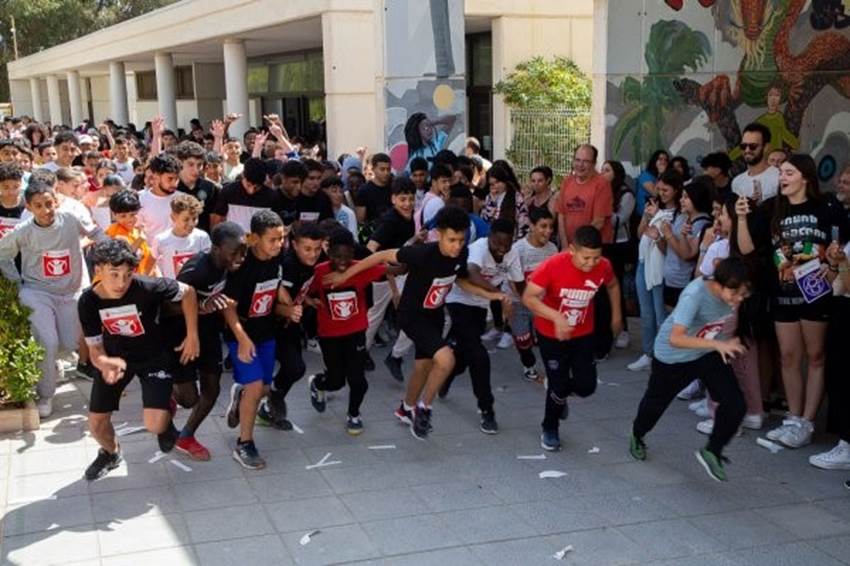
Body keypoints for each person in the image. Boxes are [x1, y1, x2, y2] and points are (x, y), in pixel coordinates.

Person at [323, 206, 509, 439]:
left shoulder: (461, 255)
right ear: (439, 234)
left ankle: (406, 408)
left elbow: (461, 281)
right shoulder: (422, 254)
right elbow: (381, 256)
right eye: (451, 240)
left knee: (424, 366)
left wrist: (492, 295)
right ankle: (423, 410)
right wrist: (346, 275)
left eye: (461, 240)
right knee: (447, 359)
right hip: (412, 316)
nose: (457, 245)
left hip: (434, 316)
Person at [737, 154, 846, 448]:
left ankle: (807, 422)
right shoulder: (772, 208)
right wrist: (742, 218)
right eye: (781, 173)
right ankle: (793, 417)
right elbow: (747, 248)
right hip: (783, 293)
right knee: (788, 357)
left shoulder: (827, 206)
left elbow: (840, 244)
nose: (782, 178)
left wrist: (833, 266)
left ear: (805, 177)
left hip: (816, 293)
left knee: (816, 356)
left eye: (788, 173)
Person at [79, 239, 199, 480]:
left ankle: (165, 418)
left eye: (127, 275)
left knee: (155, 424)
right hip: (115, 358)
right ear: (98, 270)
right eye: (114, 274)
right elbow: (94, 348)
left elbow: (188, 292)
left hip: (154, 356)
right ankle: (111, 453)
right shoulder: (88, 301)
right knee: (96, 425)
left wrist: (192, 335)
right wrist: (103, 363)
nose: (121, 283)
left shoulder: (148, 286)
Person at [629, 257, 750, 482]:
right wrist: (718, 345)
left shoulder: (732, 294)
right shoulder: (695, 295)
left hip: (706, 352)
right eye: (735, 293)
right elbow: (676, 338)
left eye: (743, 294)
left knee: (736, 403)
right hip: (673, 357)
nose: (738, 299)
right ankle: (637, 434)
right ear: (719, 284)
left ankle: (712, 450)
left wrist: (727, 342)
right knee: (656, 403)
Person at [0, 179, 103, 417]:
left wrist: (115, 248)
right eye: (39, 206)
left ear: (56, 201)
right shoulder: (23, 230)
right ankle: (45, 395)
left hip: (69, 293)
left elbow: (95, 232)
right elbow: (2, 254)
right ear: (29, 207)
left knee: (70, 343)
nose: (46, 210)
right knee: (47, 341)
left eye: (49, 203)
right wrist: (16, 281)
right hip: (37, 292)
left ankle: (49, 361)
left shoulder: (71, 219)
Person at [522, 225, 622, 452]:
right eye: (585, 258)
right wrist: (556, 317)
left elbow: (613, 284)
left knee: (586, 387)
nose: (591, 263)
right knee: (558, 385)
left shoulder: (603, 266)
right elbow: (529, 298)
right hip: (551, 334)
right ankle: (550, 427)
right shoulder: (552, 265)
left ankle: (559, 394)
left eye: (596, 257)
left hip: (582, 332)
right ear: (571, 250)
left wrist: (616, 316)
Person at [167, 222, 247, 460]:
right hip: (181, 336)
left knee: (212, 389)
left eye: (243, 251)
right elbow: (168, 306)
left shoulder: (232, 265)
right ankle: (167, 391)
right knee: (189, 399)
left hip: (210, 334)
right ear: (216, 248)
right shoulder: (196, 270)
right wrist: (202, 306)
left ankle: (186, 436)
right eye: (234, 252)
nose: (240, 257)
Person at [440, 218, 522, 434]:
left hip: (480, 306)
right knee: (479, 357)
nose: (501, 250)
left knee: (463, 355)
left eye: (506, 245)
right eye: (497, 244)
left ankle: (446, 376)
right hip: (459, 301)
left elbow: (519, 284)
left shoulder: (512, 254)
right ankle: (487, 410)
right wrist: (499, 295)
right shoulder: (478, 248)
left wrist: (535, 306)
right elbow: (472, 272)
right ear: (489, 237)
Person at [307, 229, 391, 434]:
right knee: (336, 381)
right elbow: (304, 291)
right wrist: (311, 301)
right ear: (329, 253)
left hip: (356, 333)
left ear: (353, 253)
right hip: (330, 335)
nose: (342, 262)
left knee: (358, 380)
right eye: (337, 256)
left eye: (346, 256)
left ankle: (354, 414)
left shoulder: (360, 268)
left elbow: (394, 269)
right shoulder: (319, 271)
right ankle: (318, 383)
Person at [221, 210, 286, 469]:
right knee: (256, 386)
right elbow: (229, 307)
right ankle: (244, 444)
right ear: (255, 238)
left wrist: (286, 300)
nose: (279, 244)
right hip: (241, 334)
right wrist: (242, 339)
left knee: (264, 389)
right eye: (273, 239)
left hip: (266, 332)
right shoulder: (242, 265)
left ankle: (241, 394)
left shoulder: (277, 257)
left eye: (281, 238)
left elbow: (275, 284)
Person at [260, 222, 324, 430]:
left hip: (291, 324)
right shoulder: (286, 266)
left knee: (295, 368)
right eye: (307, 249)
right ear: (294, 245)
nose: (313, 254)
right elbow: (269, 300)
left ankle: (270, 404)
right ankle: (260, 400)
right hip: (270, 326)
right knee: (290, 368)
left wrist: (307, 300)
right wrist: (287, 310)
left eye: (317, 248)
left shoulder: (315, 261)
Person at [628, 171, 682, 372]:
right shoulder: (655, 208)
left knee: (661, 314)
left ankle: (665, 355)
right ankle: (648, 353)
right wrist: (646, 216)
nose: (661, 193)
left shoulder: (677, 215)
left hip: (660, 268)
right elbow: (640, 233)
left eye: (666, 190)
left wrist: (658, 233)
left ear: (676, 190)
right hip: (643, 263)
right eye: (659, 189)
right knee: (646, 313)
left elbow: (667, 248)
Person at [366, 177, 417, 381]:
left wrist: (415, 239)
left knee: (413, 316)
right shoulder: (390, 221)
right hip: (385, 278)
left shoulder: (409, 217)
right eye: (403, 199)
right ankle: (359, 353)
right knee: (374, 317)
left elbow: (400, 247)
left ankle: (395, 356)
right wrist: (393, 285)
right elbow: (372, 248)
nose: (407, 204)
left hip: (402, 274)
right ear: (393, 199)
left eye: (411, 199)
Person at [811, 237, 850, 470]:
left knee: (844, 379)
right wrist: (834, 264)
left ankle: (847, 447)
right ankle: (844, 443)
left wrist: (842, 263)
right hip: (842, 309)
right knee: (837, 377)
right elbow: (837, 284)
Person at [508, 207, 558, 382]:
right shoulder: (518, 249)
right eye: (543, 226)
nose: (548, 231)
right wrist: (526, 300)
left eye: (551, 226)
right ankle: (528, 364)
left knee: (547, 339)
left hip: (542, 303)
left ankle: (553, 369)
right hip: (518, 302)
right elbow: (512, 281)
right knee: (523, 340)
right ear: (531, 226)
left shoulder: (552, 249)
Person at [658, 177, 714, 309]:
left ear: (696, 199)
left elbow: (686, 255)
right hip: (671, 278)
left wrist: (669, 235)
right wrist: (658, 238)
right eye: (682, 196)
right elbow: (668, 250)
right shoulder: (683, 218)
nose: (681, 200)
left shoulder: (701, 223)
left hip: (683, 281)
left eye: (686, 197)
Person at [600, 160, 635, 350]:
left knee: (616, 286)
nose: (602, 173)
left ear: (616, 173)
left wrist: (603, 209)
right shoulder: (600, 190)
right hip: (602, 243)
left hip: (618, 245)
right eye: (602, 170)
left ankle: (623, 330)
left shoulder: (626, 194)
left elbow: (619, 220)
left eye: (607, 170)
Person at [554, 144, 613, 247]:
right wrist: (564, 244)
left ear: (594, 163)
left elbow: (598, 222)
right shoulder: (567, 181)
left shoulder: (602, 184)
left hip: (591, 247)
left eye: (586, 161)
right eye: (577, 160)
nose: (580, 165)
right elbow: (561, 215)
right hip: (570, 246)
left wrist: (578, 245)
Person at [151, 194, 212, 280]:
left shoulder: (202, 237)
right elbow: (153, 266)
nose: (191, 224)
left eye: (194, 219)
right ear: (173, 217)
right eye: (186, 219)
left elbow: (209, 264)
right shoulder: (161, 240)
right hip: (171, 285)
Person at [211, 158, 281, 232]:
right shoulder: (228, 191)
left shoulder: (272, 196)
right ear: (243, 175)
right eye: (248, 185)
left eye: (256, 187)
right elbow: (217, 219)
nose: (251, 191)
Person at [106, 190, 157, 276]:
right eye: (123, 216)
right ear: (114, 214)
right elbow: (124, 258)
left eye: (133, 214)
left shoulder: (136, 231)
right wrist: (140, 239)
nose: (129, 219)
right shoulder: (113, 231)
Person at [175, 141, 220, 233]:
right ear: (180, 163)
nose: (196, 170)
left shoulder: (210, 188)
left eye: (199, 165)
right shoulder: (172, 187)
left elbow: (214, 221)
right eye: (191, 164)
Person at [137, 153, 181, 244]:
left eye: (177, 179)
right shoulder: (140, 200)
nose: (174, 184)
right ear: (156, 177)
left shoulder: (183, 199)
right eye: (170, 179)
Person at [732, 123, 779, 204]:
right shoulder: (737, 182)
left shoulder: (779, 177)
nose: (747, 150)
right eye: (743, 146)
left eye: (753, 146)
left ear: (766, 147)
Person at [481, 162, 530, 240]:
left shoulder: (517, 197)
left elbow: (524, 223)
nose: (495, 186)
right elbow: (485, 220)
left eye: (497, 182)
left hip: (511, 240)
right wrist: (492, 202)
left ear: (504, 181)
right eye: (492, 184)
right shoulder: (489, 197)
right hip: (492, 238)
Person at [415, 163, 452, 241]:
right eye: (444, 181)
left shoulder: (427, 196)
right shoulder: (437, 202)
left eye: (449, 181)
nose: (448, 184)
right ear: (434, 182)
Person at [635, 150, 669, 216]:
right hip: (643, 215)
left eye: (666, 160)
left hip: (657, 213)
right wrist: (661, 174)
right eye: (660, 159)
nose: (663, 162)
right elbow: (655, 193)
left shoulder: (665, 176)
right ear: (654, 161)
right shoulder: (645, 175)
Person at [0, 161, 25, 237]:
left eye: (15, 187)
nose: (11, 192)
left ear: (21, 183)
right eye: (6, 187)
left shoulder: (28, 206)